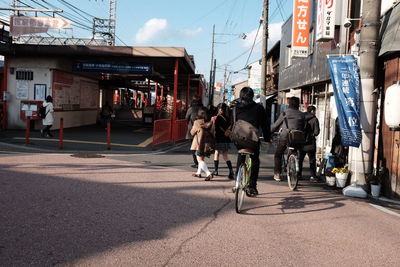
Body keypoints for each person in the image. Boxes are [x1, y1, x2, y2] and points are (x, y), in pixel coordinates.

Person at [233, 87, 268, 196]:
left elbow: (232, 124)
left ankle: (237, 180)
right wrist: (267, 137)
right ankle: (252, 186)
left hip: (238, 139)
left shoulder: (235, 108)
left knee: (241, 155)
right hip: (252, 140)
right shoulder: (259, 108)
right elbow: (265, 125)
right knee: (255, 160)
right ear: (252, 96)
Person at [271, 96, 306, 182]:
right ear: (298, 104)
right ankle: (292, 166)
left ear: (289, 104)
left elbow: (275, 126)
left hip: (285, 137)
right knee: (294, 151)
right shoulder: (302, 114)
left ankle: (277, 174)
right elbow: (304, 127)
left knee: (278, 154)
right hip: (298, 138)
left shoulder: (285, 113)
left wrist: (269, 133)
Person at [190, 107, 214, 181]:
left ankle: (208, 173)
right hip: (207, 144)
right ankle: (198, 173)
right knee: (202, 159)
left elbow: (192, 132)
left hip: (199, 144)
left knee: (199, 160)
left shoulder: (197, 122)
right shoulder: (210, 122)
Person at [299, 105, 320, 182]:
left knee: (300, 159)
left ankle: (298, 175)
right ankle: (312, 176)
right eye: (315, 111)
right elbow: (317, 132)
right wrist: (312, 134)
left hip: (301, 142)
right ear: (312, 111)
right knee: (312, 160)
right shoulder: (314, 119)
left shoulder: (301, 117)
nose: (315, 112)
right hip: (310, 143)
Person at [213, 103, 234, 179]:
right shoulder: (229, 117)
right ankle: (231, 171)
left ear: (220, 109)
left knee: (216, 153)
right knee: (225, 156)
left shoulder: (218, 118)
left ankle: (216, 171)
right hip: (226, 138)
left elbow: (215, 128)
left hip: (219, 138)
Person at [185, 96, 203, 168]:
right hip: (201, 130)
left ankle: (196, 163)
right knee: (200, 146)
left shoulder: (190, 109)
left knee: (193, 147)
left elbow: (186, 118)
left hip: (192, 130)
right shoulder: (203, 109)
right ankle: (201, 161)